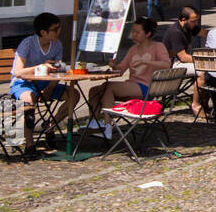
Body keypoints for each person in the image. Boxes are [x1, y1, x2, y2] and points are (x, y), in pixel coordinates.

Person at [88, 17, 170, 137]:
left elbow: (167, 64)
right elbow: (121, 70)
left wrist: (146, 62)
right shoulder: (133, 49)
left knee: (108, 87)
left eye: (137, 32)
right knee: (94, 91)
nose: (134, 35)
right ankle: (95, 123)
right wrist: (114, 65)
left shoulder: (158, 46)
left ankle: (107, 126)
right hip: (132, 84)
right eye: (133, 32)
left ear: (147, 34)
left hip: (147, 87)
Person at [9, 12, 78, 147]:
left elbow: (58, 71)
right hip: (24, 83)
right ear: (43, 32)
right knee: (28, 100)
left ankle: (50, 126)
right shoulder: (27, 44)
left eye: (59, 28)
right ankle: (29, 144)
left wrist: (50, 88)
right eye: (55, 29)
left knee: (74, 94)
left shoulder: (57, 45)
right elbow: (18, 72)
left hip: (46, 83)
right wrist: (39, 67)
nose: (59, 31)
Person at [163, 6, 205, 117]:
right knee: (203, 72)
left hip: (180, 61)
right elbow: (183, 57)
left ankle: (204, 101)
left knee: (209, 70)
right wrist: (203, 60)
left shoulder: (189, 26)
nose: (195, 24)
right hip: (172, 63)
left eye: (196, 20)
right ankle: (196, 104)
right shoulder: (175, 32)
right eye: (193, 21)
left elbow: (206, 33)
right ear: (183, 20)